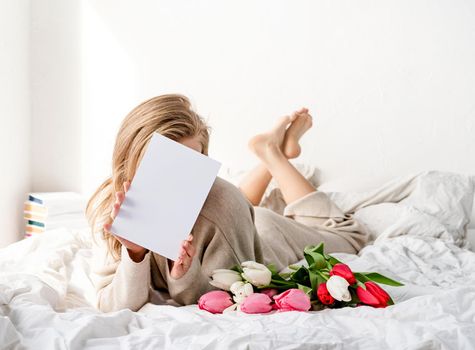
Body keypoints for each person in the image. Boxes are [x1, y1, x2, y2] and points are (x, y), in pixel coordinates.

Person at [87, 94, 369, 312]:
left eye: (191, 165)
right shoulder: (115, 205)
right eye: (167, 165)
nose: (178, 182)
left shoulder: (222, 206)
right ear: (131, 161)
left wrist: (183, 274)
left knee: (348, 235)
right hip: (237, 217)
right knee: (231, 205)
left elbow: (226, 296)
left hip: (264, 236)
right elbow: (112, 304)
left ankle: (274, 154)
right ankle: (271, 153)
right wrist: (134, 254)